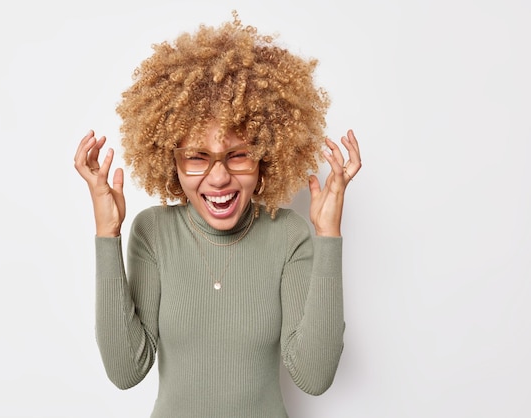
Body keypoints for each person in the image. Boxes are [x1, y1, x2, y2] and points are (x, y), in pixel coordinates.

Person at [74, 11, 361, 418]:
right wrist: (107, 234)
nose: (220, 177)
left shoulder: (289, 235)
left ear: (265, 158)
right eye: (197, 157)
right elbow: (126, 371)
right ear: (171, 162)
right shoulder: (153, 232)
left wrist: (328, 236)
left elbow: (314, 377)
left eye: (238, 154)